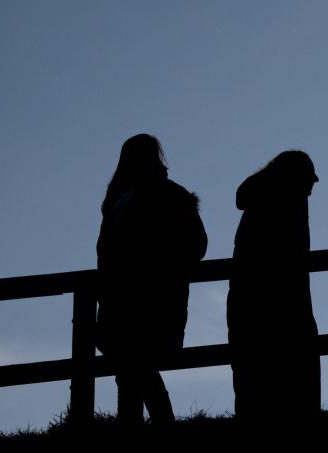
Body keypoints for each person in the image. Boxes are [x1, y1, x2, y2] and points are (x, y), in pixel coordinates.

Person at [96, 133, 207, 428]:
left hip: (151, 300)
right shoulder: (120, 198)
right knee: (132, 369)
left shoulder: (163, 196)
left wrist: (161, 268)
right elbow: (106, 251)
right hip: (125, 299)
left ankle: (149, 427)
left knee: (134, 368)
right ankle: (151, 427)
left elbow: (196, 246)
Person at [227, 150, 321, 423]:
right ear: (295, 179)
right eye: (309, 183)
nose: (311, 191)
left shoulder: (262, 199)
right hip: (282, 305)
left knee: (252, 382)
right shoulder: (288, 202)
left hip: (248, 304)